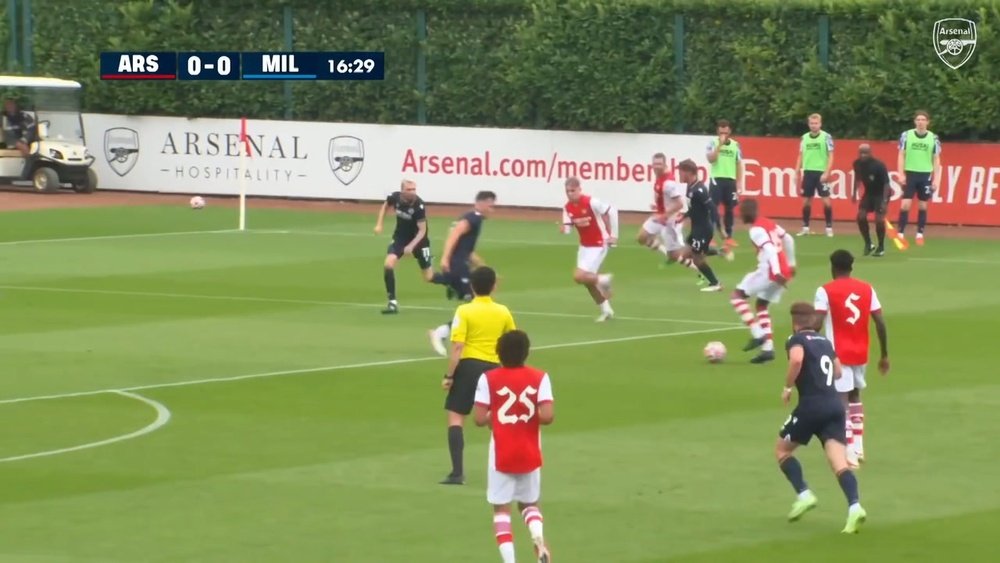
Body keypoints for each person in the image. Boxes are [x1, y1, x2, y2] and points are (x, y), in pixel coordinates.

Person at [776, 302, 867, 534]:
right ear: (812, 321)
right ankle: (855, 507)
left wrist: (788, 387)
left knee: (782, 451)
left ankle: (804, 494)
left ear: (795, 321)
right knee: (839, 464)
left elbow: (796, 360)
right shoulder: (825, 342)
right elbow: (837, 371)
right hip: (834, 406)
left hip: (811, 406)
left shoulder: (795, 340)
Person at [473, 330, 554, 563]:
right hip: (529, 450)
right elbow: (548, 416)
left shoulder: (488, 378)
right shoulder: (540, 377)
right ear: (526, 353)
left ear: (498, 353)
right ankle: (538, 538)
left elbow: (479, 419)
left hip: (502, 453)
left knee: (501, 509)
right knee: (529, 504)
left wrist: (497, 417)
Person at [438, 266, 516, 485]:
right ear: (494, 286)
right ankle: (507, 467)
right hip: (494, 367)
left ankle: (457, 473)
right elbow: (512, 341)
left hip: (468, 366)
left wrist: (449, 375)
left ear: (472, 286)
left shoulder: (464, 311)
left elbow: (457, 347)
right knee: (497, 419)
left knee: (456, 417)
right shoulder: (503, 312)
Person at [814, 250, 889, 467]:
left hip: (838, 354)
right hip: (860, 352)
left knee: (840, 402)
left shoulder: (824, 290)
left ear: (832, 267)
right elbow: (880, 322)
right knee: (855, 395)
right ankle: (858, 445)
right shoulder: (867, 288)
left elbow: (818, 322)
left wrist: (806, 335)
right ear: (851, 267)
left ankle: (849, 453)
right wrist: (884, 355)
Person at [428, 191, 497, 354]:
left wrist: (484, 268)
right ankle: (440, 332)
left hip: (461, 265)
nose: (492, 210)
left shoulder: (476, 219)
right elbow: (454, 234)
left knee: (474, 304)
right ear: (481, 203)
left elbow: (468, 250)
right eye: (491, 206)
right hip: (458, 267)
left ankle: (447, 333)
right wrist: (445, 258)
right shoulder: (473, 217)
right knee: (475, 304)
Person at [730, 198, 797, 364]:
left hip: (770, 272)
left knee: (737, 296)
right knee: (761, 304)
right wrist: (791, 263)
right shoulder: (769, 223)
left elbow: (770, 250)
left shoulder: (756, 230)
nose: (739, 216)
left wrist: (775, 271)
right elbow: (788, 239)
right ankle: (768, 349)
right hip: (784, 272)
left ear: (747, 213)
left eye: (741, 213)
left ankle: (758, 333)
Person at [562, 177, 619, 322]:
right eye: (568, 191)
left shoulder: (591, 202)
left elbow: (612, 211)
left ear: (579, 189)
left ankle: (603, 279)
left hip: (599, 243)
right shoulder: (567, 207)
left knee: (578, 276)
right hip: (584, 246)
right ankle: (606, 310)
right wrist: (564, 229)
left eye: (573, 190)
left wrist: (614, 235)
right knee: (587, 282)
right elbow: (568, 228)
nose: (570, 194)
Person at [374, 179, 433, 314]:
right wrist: (379, 224)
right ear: (402, 190)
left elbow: (422, 230)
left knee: (428, 277)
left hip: (419, 241)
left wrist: (411, 246)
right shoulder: (395, 197)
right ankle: (392, 302)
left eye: (414, 189)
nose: (412, 192)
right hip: (400, 238)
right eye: (409, 190)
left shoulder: (419, 205)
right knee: (388, 264)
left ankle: (453, 283)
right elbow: (385, 205)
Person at [895, 110, 942, 248]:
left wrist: (936, 180)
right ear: (915, 121)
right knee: (905, 204)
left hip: (925, 174)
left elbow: (936, 159)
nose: (920, 122)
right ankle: (900, 233)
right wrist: (900, 173)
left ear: (928, 122)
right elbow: (901, 154)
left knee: (923, 205)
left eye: (923, 120)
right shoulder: (906, 135)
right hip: (910, 173)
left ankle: (920, 233)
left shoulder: (933, 138)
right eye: (918, 119)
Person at [676, 159, 725, 292]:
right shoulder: (690, 187)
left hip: (703, 230)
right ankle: (717, 251)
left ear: (688, 172)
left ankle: (716, 283)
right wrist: (684, 216)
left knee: (697, 260)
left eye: (680, 172)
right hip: (696, 228)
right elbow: (695, 208)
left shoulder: (700, 189)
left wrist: (720, 229)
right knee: (685, 254)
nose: (679, 175)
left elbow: (712, 209)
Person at [794, 113, 835, 237]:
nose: (814, 126)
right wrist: (797, 170)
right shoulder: (804, 138)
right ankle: (805, 227)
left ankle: (828, 228)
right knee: (806, 201)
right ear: (808, 124)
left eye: (816, 123)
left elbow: (831, 155)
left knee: (826, 201)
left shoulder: (826, 137)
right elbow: (800, 155)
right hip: (808, 172)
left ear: (820, 124)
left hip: (821, 172)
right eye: (812, 123)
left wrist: (827, 172)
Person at [706, 119, 743, 247]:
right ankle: (710, 237)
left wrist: (739, 182)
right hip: (717, 179)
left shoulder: (736, 145)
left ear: (730, 131)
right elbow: (711, 159)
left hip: (730, 180)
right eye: (721, 132)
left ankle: (728, 236)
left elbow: (738, 164)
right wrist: (719, 146)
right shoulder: (712, 143)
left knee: (730, 209)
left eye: (725, 132)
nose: (723, 135)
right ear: (717, 131)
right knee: (712, 208)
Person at [851, 145, 892, 256]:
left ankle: (881, 247)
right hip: (869, 193)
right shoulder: (857, 164)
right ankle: (868, 244)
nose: (863, 155)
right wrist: (854, 192)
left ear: (870, 153)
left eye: (865, 153)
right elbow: (857, 178)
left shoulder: (878, 165)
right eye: (861, 153)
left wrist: (884, 201)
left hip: (881, 193)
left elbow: (886, 184)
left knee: (879, 220)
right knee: (861, 217)